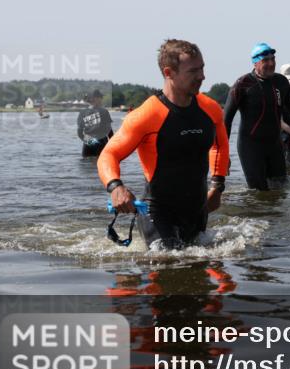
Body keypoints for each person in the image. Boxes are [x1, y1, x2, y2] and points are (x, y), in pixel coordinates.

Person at [98, 39, 230, 249]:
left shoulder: (211, 108)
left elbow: (220, 146)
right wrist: (116, 187)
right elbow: (108, 154)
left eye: (202, 68)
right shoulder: (146, 115)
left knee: (200, 274)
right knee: (168, 265)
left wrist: (217, 186)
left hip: (197, 211)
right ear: (169, 73)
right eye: (193, 71)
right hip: (158, 213)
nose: (202, 76)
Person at [224, 43, 290, 189]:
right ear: (255, 63)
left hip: (275, 146)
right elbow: (226, 121)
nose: (271, 63)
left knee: (281, 189)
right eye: (265, 60)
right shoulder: (242, 84)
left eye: (273, 59)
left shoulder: (281, 82)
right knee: (258, 192)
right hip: (251, 147)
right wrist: (223, 154)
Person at [77, 89, 114, 157]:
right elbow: (109, 131)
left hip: (87, 143)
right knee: (100, 163)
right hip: (101, 142)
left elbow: (79, 132)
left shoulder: (82, 112)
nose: (102, 99)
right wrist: (112, 145)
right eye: (101, 97)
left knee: (86, 164)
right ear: (96, 98)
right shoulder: (104, 111)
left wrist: (89, 141)